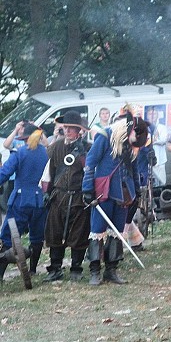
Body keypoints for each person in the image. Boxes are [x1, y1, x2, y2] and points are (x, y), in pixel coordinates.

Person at [81, 110, 149, 285]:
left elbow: (133, 168)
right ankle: (95, 271)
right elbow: (90, 163)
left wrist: (137, 190)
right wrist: (87, 188)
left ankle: (111, 270)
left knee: (117, 233)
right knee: (97, 231)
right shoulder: (105, 136)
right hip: (103, 193)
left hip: (124, 194)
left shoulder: (131, 145)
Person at [42, 111, 92, 282]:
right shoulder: (55, 147)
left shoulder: (87, 148)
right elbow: (49, 173)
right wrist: (46, 193)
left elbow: (91, 173)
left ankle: (76, 269)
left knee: (79, 234)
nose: (68, 131)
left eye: (72, 128)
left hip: (80, 198)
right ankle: (55, 269)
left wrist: (89, 193)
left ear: (80, 131)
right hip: (59, 197)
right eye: (66, 128)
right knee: (54, 233)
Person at [0, 124, 48, 281]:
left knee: (8, 236)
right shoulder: (47, 153)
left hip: (21, 201)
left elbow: (5, 173)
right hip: (40, 201)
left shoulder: (19, 153)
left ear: (25, 138)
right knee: (36, 237)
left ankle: (0, 274)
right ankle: (33, 269)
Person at [145, 107, 168, 187]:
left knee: (161, 184)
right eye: (150, 114)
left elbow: (163, 140)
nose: (152, 116)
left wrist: (153, 140)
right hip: (147, 162)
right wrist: (153, 140)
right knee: (148, 185)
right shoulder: (144, 128)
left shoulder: (162, 127)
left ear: (157, 115)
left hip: (160, 160)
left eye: (154, 114)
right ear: (147, 116)